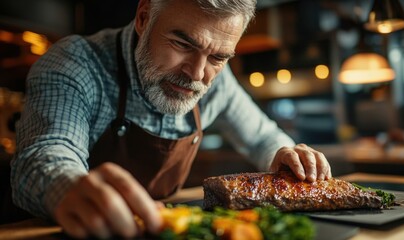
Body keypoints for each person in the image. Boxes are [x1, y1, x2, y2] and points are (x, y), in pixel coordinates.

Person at [11, 0, 331, 238]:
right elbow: (46, 153)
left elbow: (263, 137)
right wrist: (67, 186)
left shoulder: (217, 79)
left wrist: (285, 152)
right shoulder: (76, 62)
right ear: (143, 17)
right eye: (181, 44)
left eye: (218, 57)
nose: (197, 73)